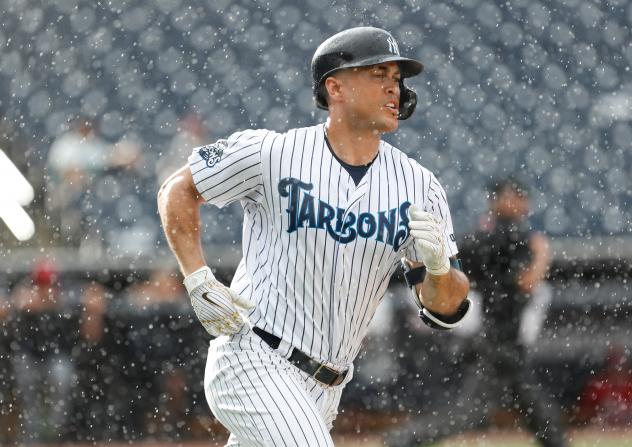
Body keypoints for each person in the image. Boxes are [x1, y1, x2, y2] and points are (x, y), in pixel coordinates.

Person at [157, 27, 470, 446]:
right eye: (379, 74)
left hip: (327, 386)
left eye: (397, 78)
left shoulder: (419, 186)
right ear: (335, 87)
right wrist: (196, 279)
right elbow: (178, 190)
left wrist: (438, 268)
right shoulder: (272, 153)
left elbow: (445, 309)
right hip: (255, 357)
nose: (394, 87)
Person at [385, 177, 567, 447]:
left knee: (536, 412)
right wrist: (541, 252)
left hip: (500, 340)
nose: (521, 203)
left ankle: (403, 439)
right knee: (469, 414)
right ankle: (403, 440)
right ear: (501, 200)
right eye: (515, 196)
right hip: (498, 342)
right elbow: (527, 282)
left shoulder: (489, 232)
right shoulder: (508, 235)